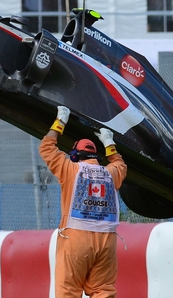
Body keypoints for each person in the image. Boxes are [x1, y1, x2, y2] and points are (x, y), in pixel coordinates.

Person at [40, 105, 127, 298]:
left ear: (74, 156)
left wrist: (60, 121)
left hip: (75, 239)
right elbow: (120, 164)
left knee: (68, 292)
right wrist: (108, 142)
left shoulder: (70, 169)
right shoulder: (111, 173)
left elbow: (46, 147)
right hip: (106, 241)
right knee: (103, 291)